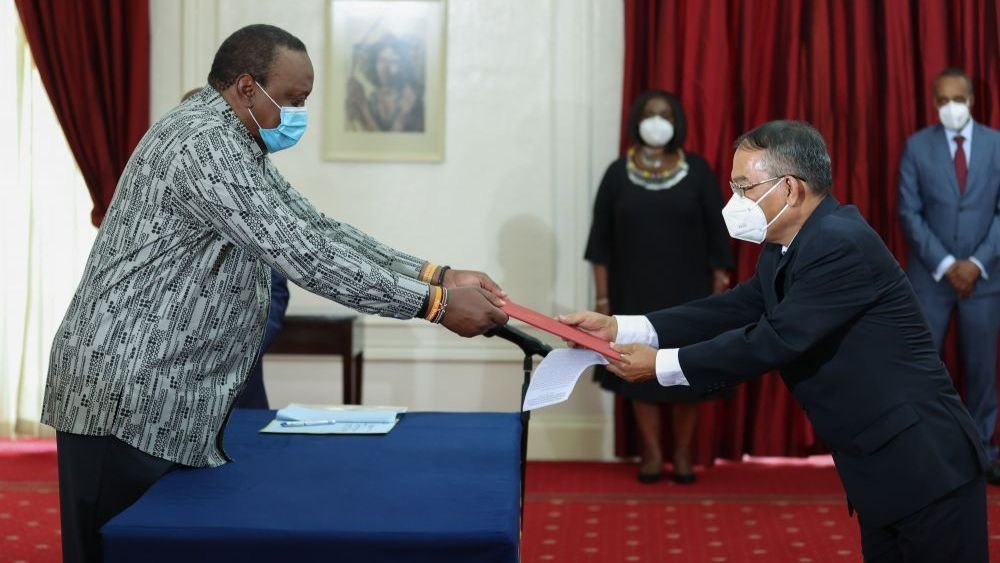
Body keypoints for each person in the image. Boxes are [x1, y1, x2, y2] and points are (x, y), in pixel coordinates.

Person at [42, 24, 508, 563]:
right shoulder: (205, 145)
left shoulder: (237, 143)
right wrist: (434, 306)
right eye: (291, 100)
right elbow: (304, 256)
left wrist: (437, 274)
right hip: (127, 391)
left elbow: (318, 228)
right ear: (246, 87)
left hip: (168, 392)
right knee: (118, 549)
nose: (297, 115)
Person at [563, 121, 988, 562]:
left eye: (744, 188)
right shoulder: (788, 244)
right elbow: (734, 307)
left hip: (927, 466)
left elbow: (775, 339)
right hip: (880, 466)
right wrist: (622, 328)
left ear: (788, 189)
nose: (735, 202)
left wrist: (661, 366)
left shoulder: (841, 244)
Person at [585, 89, 733, 484]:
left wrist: (721, 291)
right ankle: (651, 453)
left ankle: (683, 453)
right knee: (637, 369)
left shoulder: (698, 171)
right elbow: (599, 244)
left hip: (690, 291)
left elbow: (719, 237)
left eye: (665, 114)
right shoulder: (618, 174)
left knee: (685, 371)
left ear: (677, 122)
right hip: (633, 291)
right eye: (650, 113)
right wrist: (603, 298)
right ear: (637, 120)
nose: (657, 120)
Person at [898, 67, 1000, 485]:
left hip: (986, 277)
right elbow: (909, 212)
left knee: (981, 371)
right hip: (931, 279)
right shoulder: (917, 147)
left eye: (957, 99)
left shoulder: (997, 144)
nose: (950, 108)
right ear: (934, 103)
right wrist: (946, 265)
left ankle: (983, 452)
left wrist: (975, 264)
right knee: (923, 369)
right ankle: (927, 453)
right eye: (942, 100)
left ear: (972, 100)